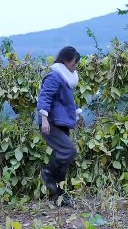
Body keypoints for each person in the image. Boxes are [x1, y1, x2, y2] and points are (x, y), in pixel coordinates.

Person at [36, 46, 84, 207]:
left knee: (64, 162)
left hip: (61, 122)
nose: (76, 65)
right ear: (67, 60)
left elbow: (69, 100)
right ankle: (48, 174)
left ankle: (60, 197)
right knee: (69, 151)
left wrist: (77, 113)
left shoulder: (65, 78)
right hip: (51, 123)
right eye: (75, 62)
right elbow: (44, 98)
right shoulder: (54, 77)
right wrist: (44, 120)